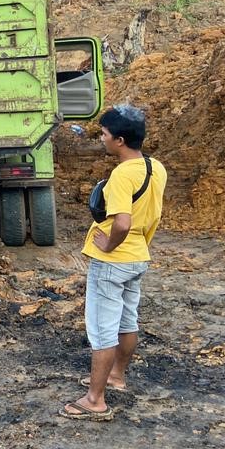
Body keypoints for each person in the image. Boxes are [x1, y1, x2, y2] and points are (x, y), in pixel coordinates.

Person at [61, 104, 167, 421]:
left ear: (119, 140)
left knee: (102, 330)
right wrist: (140, 244)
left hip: (113, 259)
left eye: (105, 135)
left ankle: (95, 400)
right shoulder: (155, 167)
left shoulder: (121, 175)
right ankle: (116, 377)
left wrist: (108, 244)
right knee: (127, 320)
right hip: (137, 256)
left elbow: (121, 222)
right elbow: (154, 215)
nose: (102, 139)